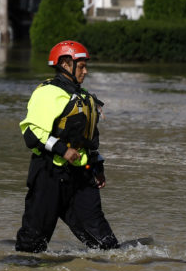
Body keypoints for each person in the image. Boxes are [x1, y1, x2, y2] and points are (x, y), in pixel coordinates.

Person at [15, 40, 118, 252]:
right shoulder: (47, 93)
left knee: (107, 247)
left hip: (80, 177)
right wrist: (62, 149)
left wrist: (97, 168)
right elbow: (31, 135)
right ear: (65, 64)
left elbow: (89, 138)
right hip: (48, 176)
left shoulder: (84, 96)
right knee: (31, 248)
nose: (86, 71)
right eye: (81, 66)